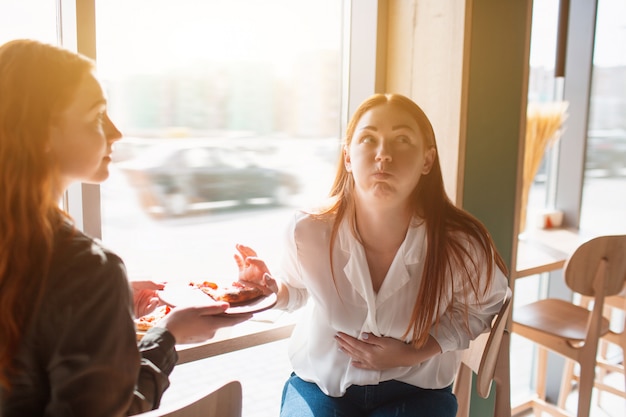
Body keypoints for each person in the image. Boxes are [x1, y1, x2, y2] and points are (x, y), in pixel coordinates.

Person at [0, 39, 247, 417]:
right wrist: (168, 335)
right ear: (44, 133)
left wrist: (105, 309)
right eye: (97, 114)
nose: (115, 132)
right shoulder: (87, 270)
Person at [234, 93, 510, 417]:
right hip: (322, 386)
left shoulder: (460, 244)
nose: (383, 155)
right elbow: (294, 289)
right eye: (368, 139)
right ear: (348, 157)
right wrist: (269, 289)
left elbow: (483, 307)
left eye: (402, 139)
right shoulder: (307, 230)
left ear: (427, 160)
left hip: (418, 392)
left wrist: (414, 353)